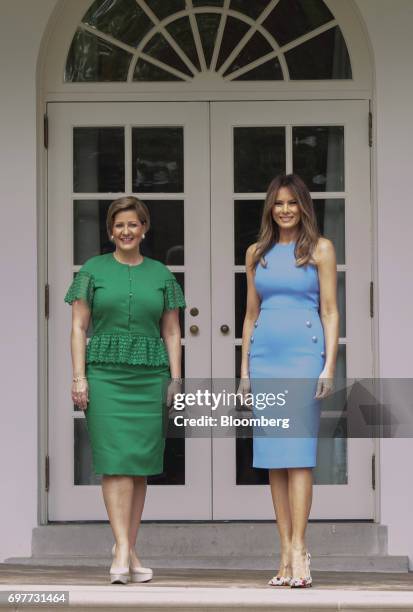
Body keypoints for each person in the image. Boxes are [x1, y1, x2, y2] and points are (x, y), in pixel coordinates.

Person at [64, 196, 185, 584]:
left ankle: (129, 550)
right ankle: (120, 548)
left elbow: (172, 330)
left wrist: (176, 379)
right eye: (119, 225)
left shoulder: (161, 274)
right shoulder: (91, 271)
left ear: (144, 228)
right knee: (115, 461)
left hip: (150, 377)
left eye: (133, 224)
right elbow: (79, 327)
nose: (126, 231)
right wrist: (79, 376)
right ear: (110, 231)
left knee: (139, 466)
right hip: (104, 377)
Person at [238, 173, 339, 588]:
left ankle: (300, 547)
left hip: (303, 358)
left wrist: (329, 365)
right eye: (278, 203)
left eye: (292, 203)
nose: (284, 210)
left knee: (298, 455)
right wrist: (244, 371)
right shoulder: (255, 253)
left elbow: (331, 311)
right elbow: (249, 315)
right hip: (265, 361)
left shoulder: (320, 249)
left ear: (303, 207)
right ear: (270, 207)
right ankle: (283, 549)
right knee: (273, 458)